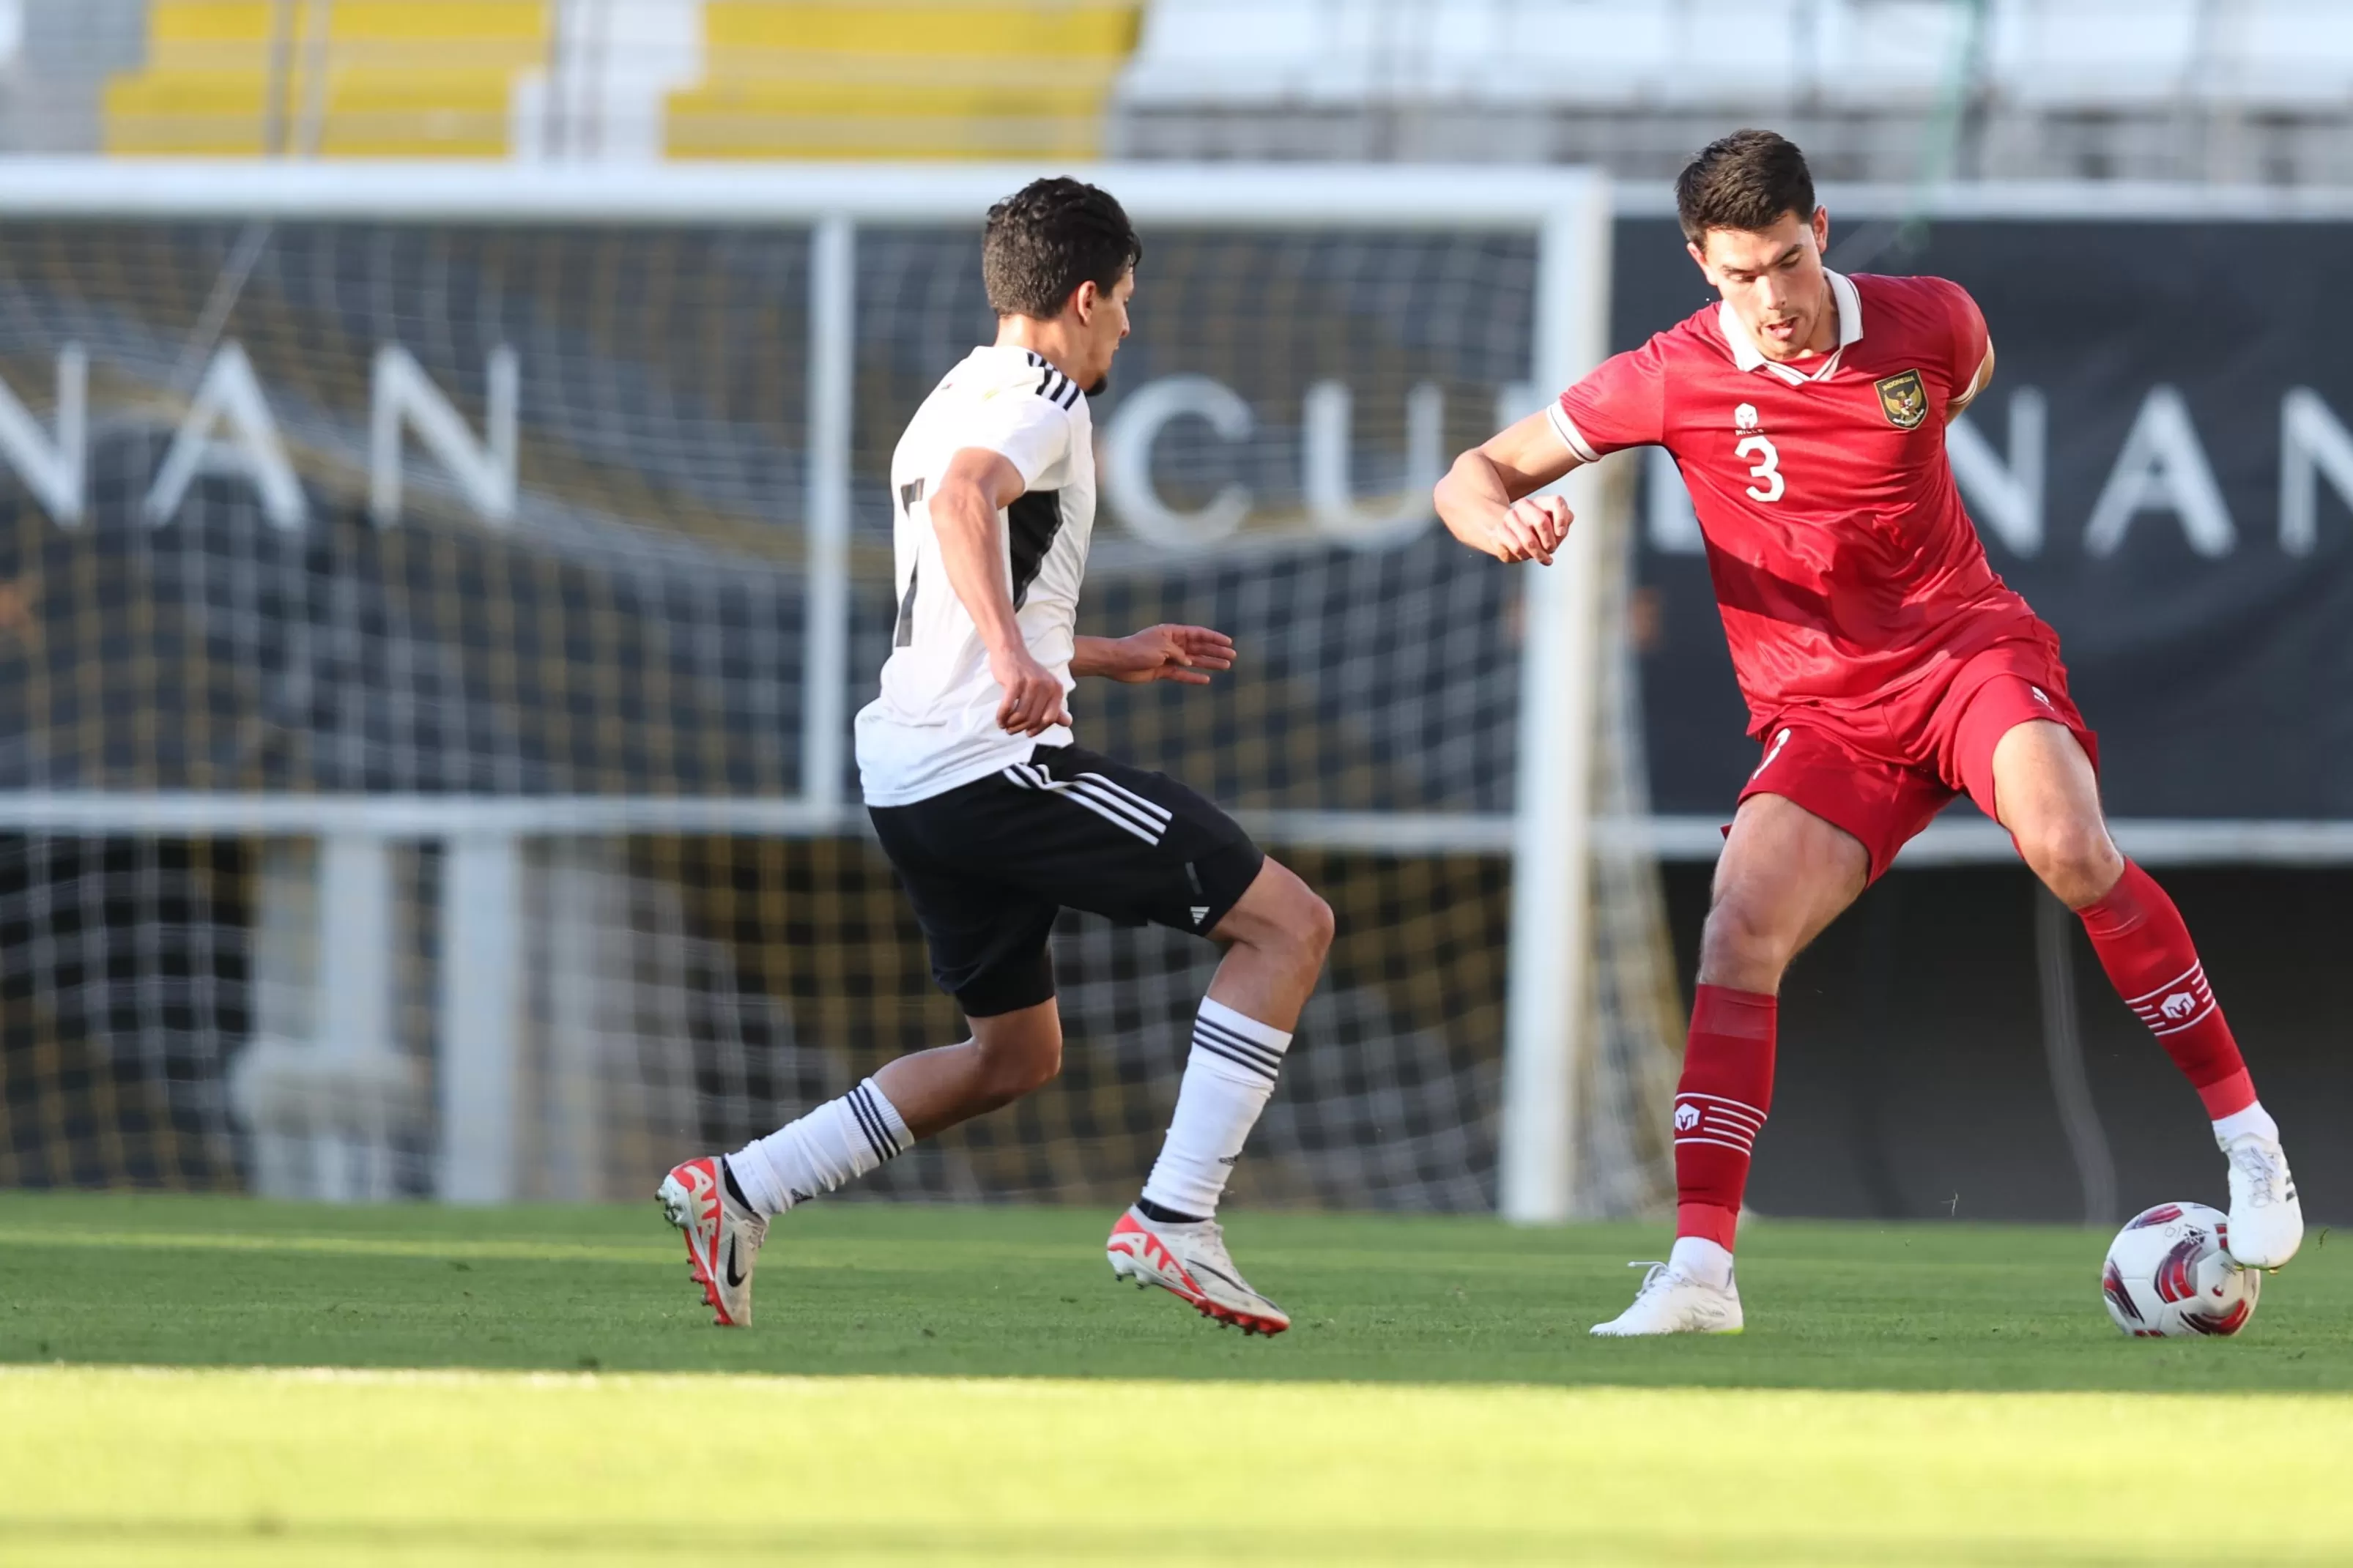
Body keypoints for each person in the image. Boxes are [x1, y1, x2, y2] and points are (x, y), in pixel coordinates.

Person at [1434, 129, 2302, 1337]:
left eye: (1785, 263)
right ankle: (1697, 1273)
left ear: (1821, 231)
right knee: (1739, 929)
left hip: (1964, 655)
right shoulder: (1671, 374)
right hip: (1826, 715)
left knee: (2069, 846)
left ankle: (2250, 1142)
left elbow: (1973, 372)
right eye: (1740, 275)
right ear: (1700, 264)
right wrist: (1491, 524)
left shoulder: (1930, 322)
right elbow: (1477, 471)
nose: (1771, 300)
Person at [659, 177, 1333, 1334]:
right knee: (1290, 925)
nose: (1129, 324)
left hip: (914, 777)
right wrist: (1022, 660)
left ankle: (740, 1188)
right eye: (1125, 301)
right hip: (993, 766)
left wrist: (1097, 654)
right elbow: (967, 505)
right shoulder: (1044, 394)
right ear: (1082, 297)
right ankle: (1177, 1217)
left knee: (1012, 1055)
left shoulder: (955, 389)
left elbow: (964, 557)